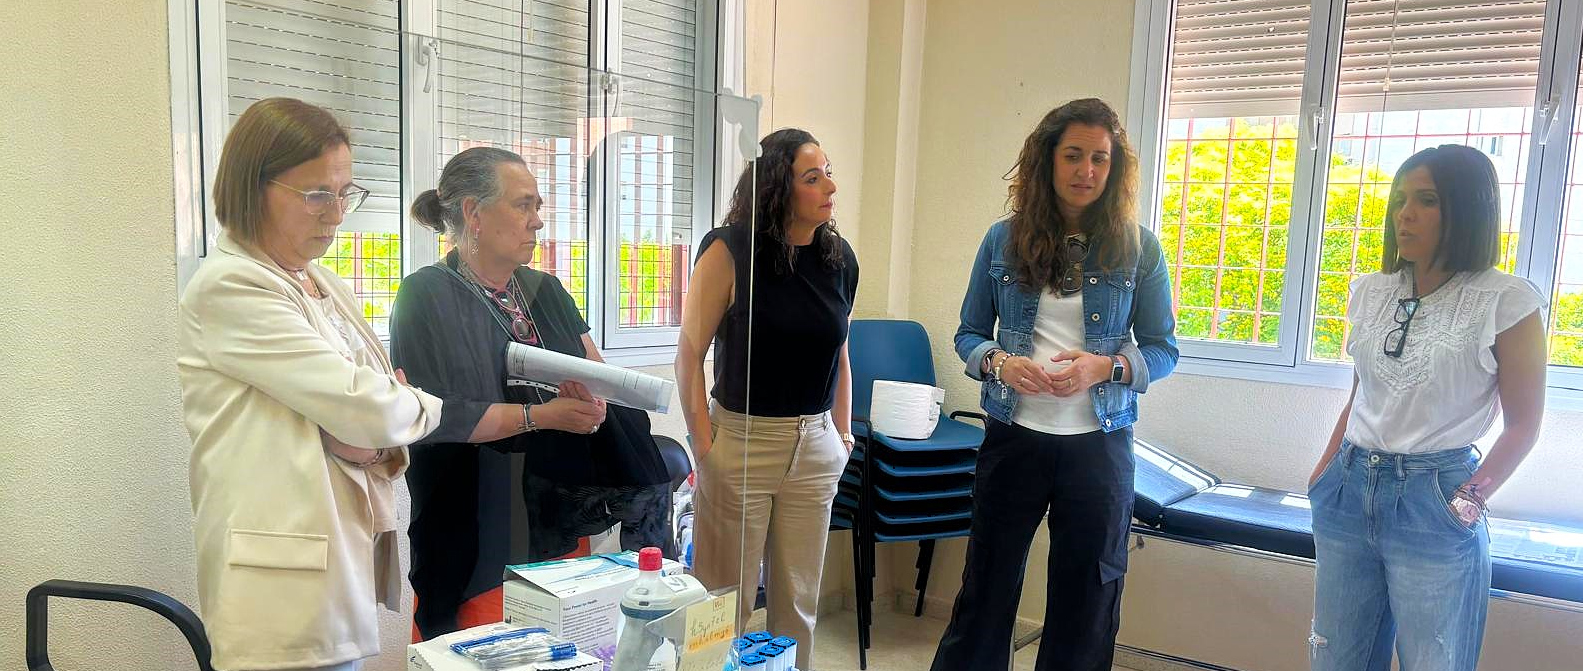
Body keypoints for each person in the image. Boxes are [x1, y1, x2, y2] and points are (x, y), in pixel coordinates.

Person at [177, 97, 443, 671]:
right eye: (318, 194)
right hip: (279, 585)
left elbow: (366, 410)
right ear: (254, 188)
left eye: (345, 192)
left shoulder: (318, 281)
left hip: (332, 563)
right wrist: (416, 408)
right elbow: (370, 405)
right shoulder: (232, 286)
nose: (337, 215)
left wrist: (374, 435)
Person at [930, 98, 1179, 671]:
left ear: (1115, 167)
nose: (1086, 170)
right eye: (1073, 155)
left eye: (1099, 158)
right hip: (1014, 437)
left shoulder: (1139, 248)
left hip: (1099, 446)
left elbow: (1163, 350)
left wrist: (1105, 367)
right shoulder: (1002, 240)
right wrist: (999, 363)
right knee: (986, 588)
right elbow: (969, 333)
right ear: (1047, 159)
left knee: (1088, 599)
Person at [392, 146, 673, 640]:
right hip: (474, 520)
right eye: (523, 205)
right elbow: (436, 418)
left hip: (554, 511)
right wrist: (542, 416)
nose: (537, 221)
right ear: (474, 214)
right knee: (482, 646)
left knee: (562, 643)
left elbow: (595, 373)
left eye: (538, 206)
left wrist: (593, 405)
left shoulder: (546, 290)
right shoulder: (425, 296)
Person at [1307, 144, 1546, 671]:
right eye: (1400, 199)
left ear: (1467, 209)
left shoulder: (1506, 299)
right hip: (1348, 488)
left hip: (1435, 497)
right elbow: (1362, 393)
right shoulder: (1371, 291)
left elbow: (1524, 426)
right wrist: (1322, 475)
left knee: (1435, 661)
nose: (1405, 214)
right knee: (1335, 657)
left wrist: (1466, 503)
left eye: (1427, 200)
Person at [675, 128, 856, 671]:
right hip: (741, 442)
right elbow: (689, 354)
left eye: (828, 173)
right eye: (812, 177)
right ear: (778, 186)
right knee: (721, 603)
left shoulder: (838, 258)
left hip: (815, 444)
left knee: (798, 603)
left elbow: (841, 355)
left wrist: (842, 435)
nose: (830, 187)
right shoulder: (729, 250)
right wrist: (705, 447)